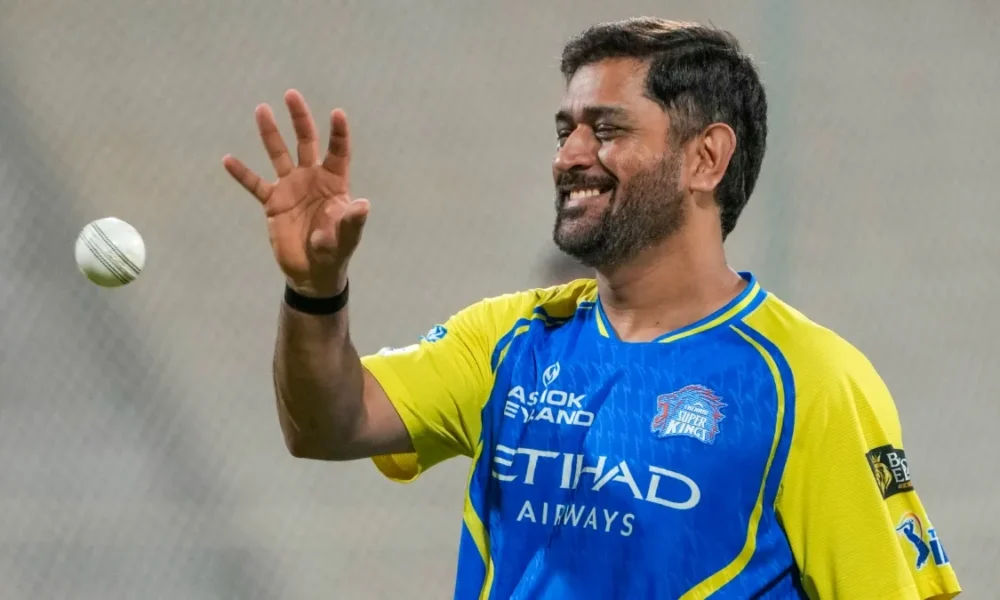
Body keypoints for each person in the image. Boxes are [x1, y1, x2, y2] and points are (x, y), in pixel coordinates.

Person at [222, 17, 962, 600]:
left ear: (705, 158)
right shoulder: (510, 339)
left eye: (606, 129)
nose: (568, 156)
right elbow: (326, 424)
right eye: (564, 130)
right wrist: (315, 289)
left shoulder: (810, 380)